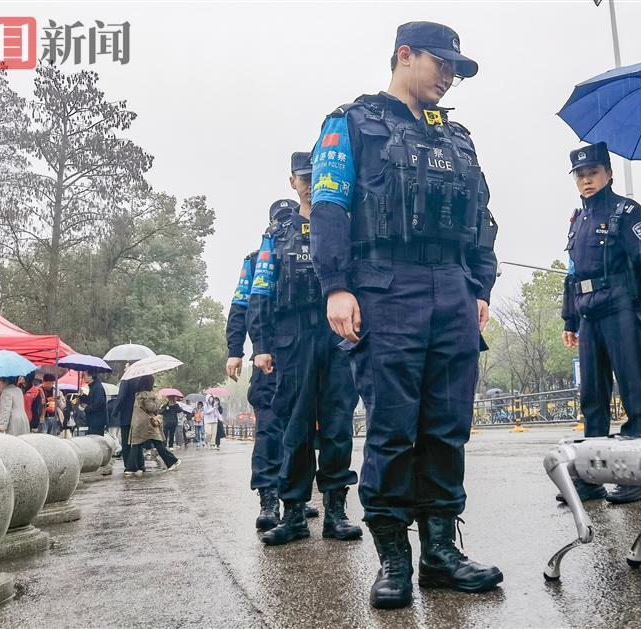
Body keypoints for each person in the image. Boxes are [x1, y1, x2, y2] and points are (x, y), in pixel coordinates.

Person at [310, 21, 503, 608]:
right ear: (404, 55)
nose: (448, 77)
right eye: (440, 64)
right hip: (384, 286)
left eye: (455, 70)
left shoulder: (457, 136)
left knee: (447, 426)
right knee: (393, 428)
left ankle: (441, 552)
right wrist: (336, 286)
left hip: (452, 287)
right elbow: (329, 206)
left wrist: (480, 285)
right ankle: (394, 557)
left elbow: (481, 215)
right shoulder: (351, 122)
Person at [249, 154, 359, 546]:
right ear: (292, 182)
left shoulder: (345, 223)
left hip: (337, 331)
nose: (311, 184)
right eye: (304, 178)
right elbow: (261, 288)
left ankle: (336, 512)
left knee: (338, 423)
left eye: (318, 176)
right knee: (294, 425)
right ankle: (294, 513)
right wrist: (261, 344)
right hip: (292, 334)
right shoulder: (276, 233)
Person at [559, 142, 641, 504]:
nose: (586, 180)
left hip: (621, 306)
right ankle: (591, 476)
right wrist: (569, 319)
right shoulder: (578, 219)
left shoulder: (626, 211)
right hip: (588, 313)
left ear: (608, 173)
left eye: (592, 173)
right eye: (580, 175)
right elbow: (573, 274)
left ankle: (637, 476)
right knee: (592, 397)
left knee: (633, 391)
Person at [229, 197, 296, 532]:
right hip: (267, 355)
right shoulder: (257, 260)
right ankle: (269, 498)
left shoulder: (310, 249)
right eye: (279, 219)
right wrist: (235, 350)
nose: (284, 224)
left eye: (289, 217)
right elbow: (241, 306)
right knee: (269, 430)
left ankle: (296, 497)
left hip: (300, 353)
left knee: (298, 430)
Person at [124, 376, 180, 477]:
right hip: (148, 424)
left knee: (135, 445)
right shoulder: (147, 395)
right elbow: (152, 408)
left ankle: (130, 468)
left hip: (137, 423)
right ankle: (172, 462)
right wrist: (159, 400)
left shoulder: (138, 394)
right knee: (158, 443)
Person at [82, 372, 108, 436]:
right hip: (93, 420)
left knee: (96, 439)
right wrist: (82, 396)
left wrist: (86, 408)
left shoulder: (97, 387)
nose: (83, 377)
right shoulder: (93, 386)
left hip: (97, 420)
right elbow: (90, 400)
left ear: (90, 376)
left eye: (84, 375)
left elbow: (99, 403)